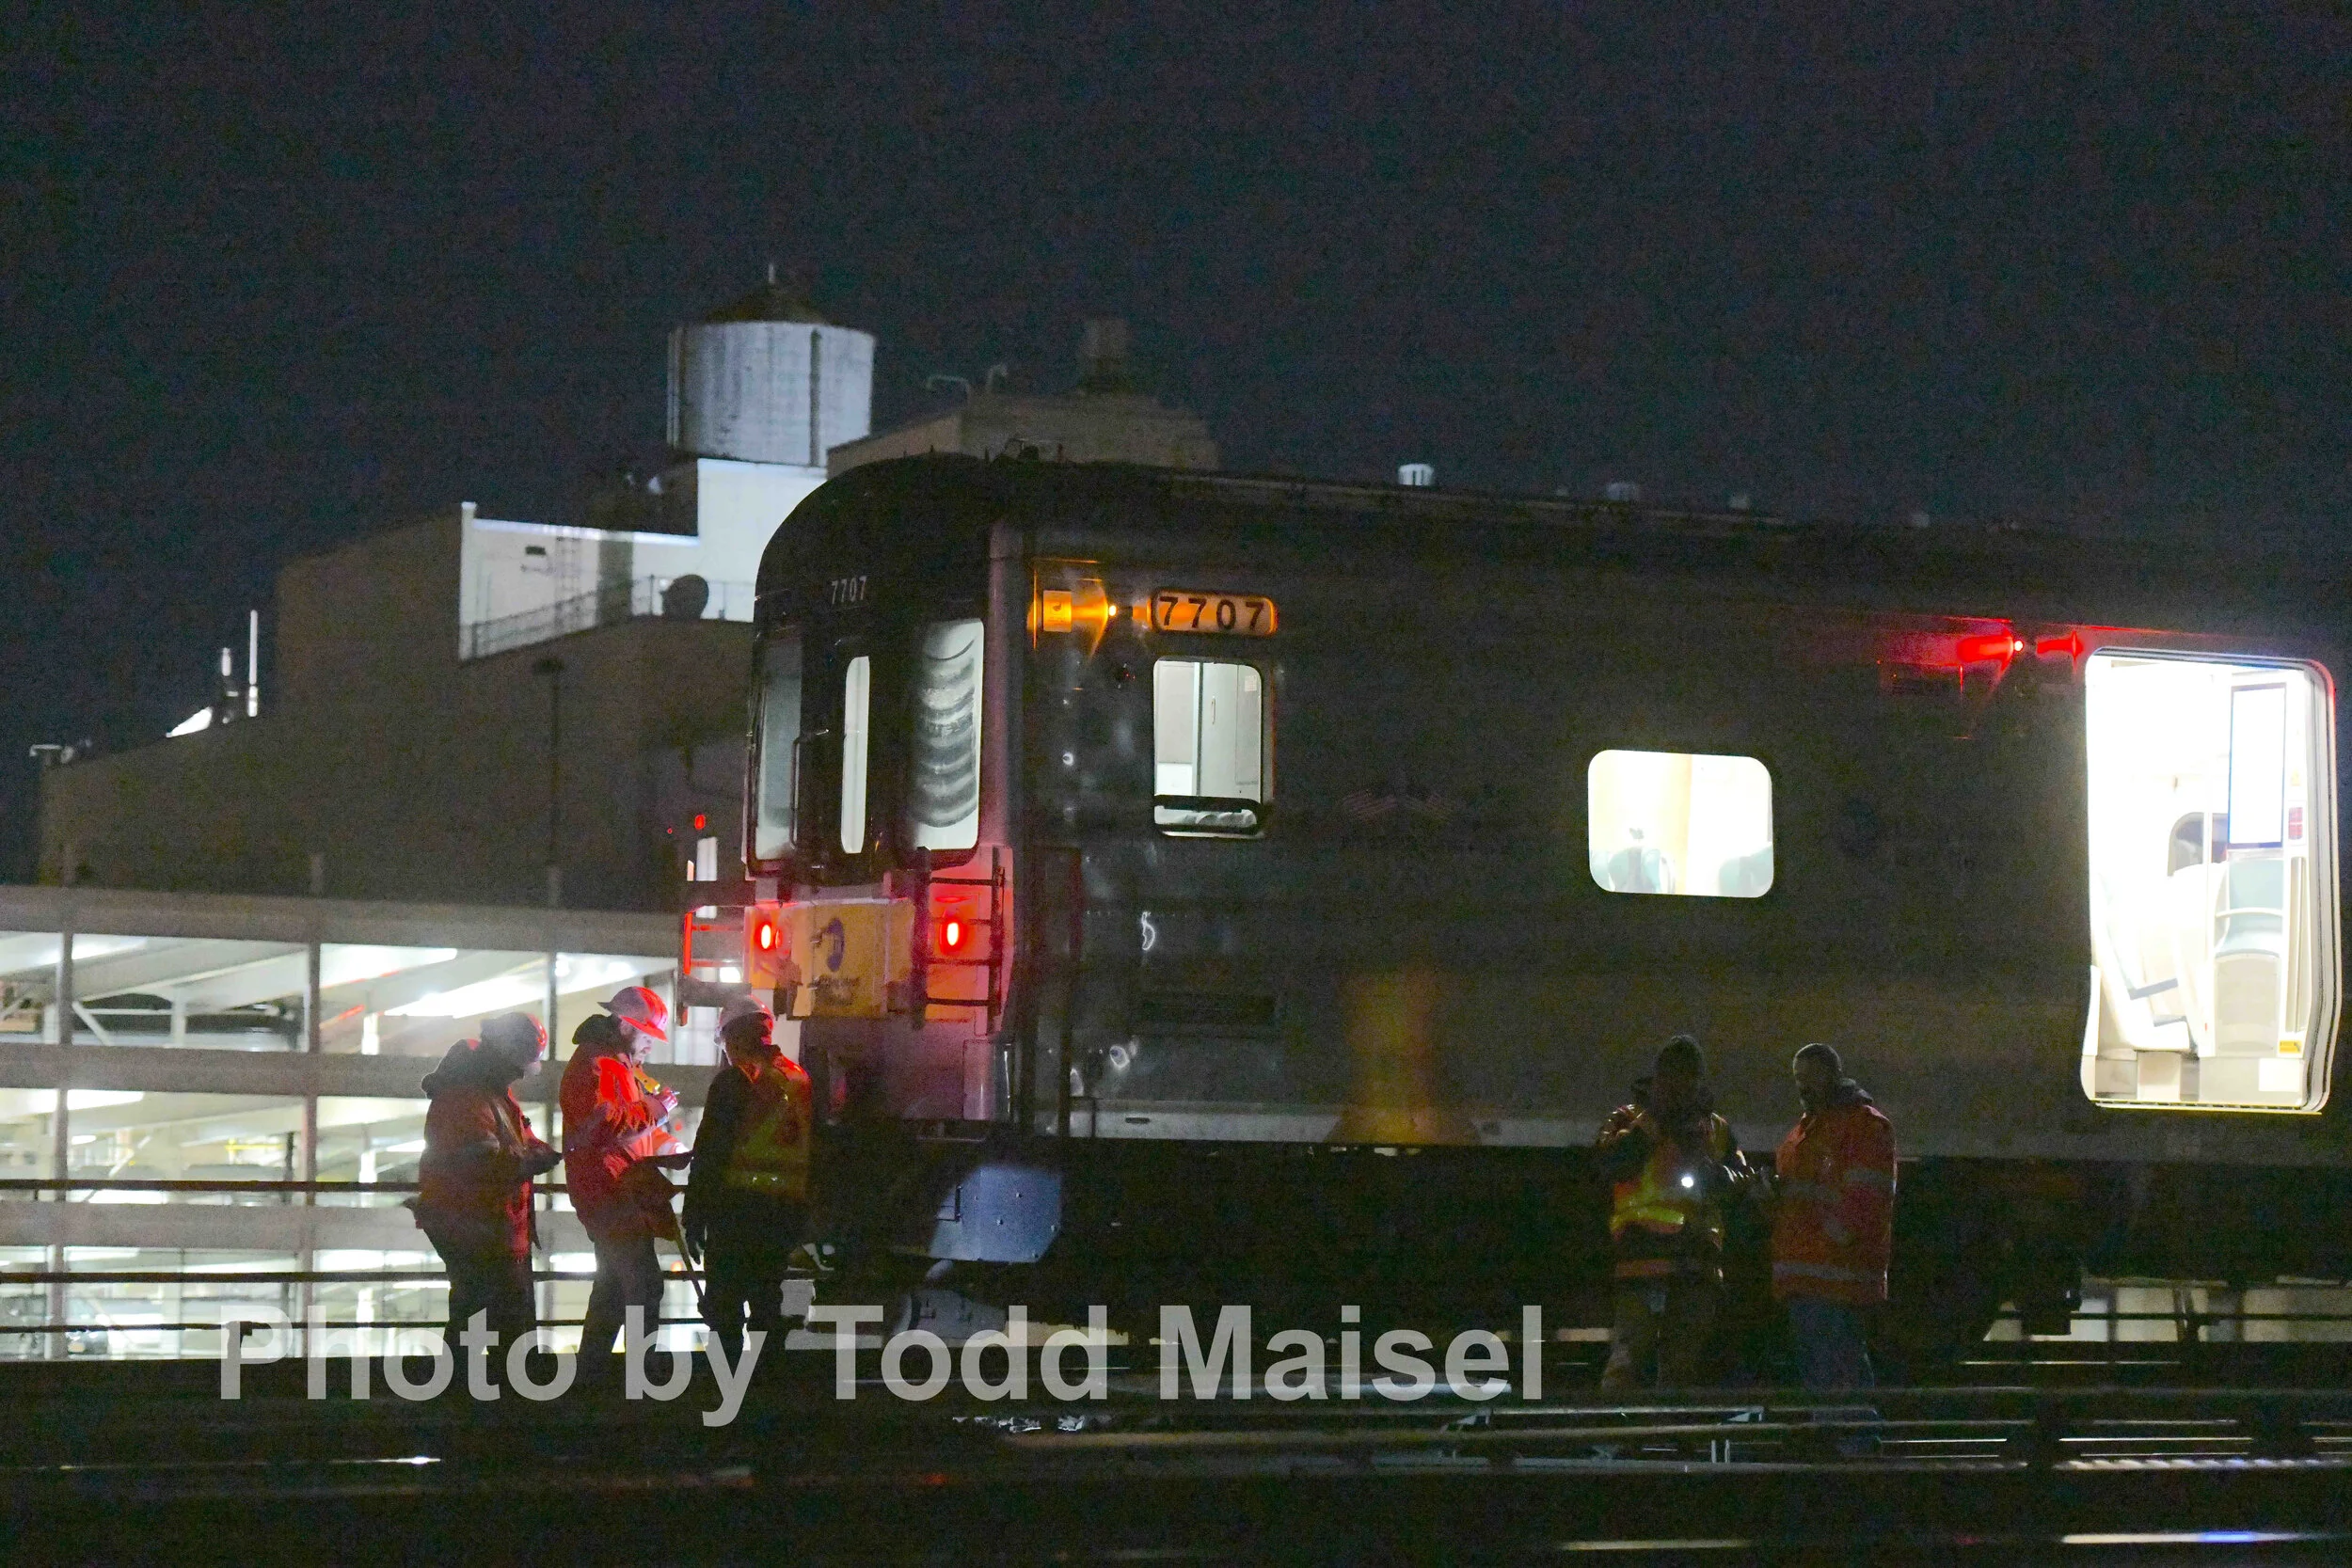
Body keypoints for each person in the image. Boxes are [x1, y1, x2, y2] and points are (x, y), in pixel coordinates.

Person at [1593, 1035, 1755, 1391]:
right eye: (1672, 1076)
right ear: (1657, 1077)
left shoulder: (1716, 1128)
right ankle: (1613, 1439)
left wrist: (1721, 1177)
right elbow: (1609, 1164)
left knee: (1683, 1368)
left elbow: (1740, 1181)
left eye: (1688, 1076)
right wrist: (1653, 1122)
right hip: (1641, 1259)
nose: (1680, 1084)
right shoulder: (1628, 1119)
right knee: (1629, 1360)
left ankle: (1671, 1438)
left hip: (1695, 1264)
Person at [562, 985, 689, 1370]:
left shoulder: (614, 1064)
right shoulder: (599, 1065)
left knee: (614, 1288)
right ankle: (639, 1373)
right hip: (610, 1190)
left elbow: (628, 1131)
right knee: (644, 1284)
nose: (651, 1044)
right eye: (647, 1034)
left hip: (614, 1188)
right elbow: (610, 1125)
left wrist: (669, 1147)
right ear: (624, 1025)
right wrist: (656, 1109)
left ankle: (592, 1371)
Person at [412, 1012, 559, 1345]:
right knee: (495, 1326)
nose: (523, 1072)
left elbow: (515, 1139)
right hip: (480, 1230)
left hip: (485, 1230)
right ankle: (497, 1390)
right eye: (522, 1062)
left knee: (476, 1321)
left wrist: (536, 1150)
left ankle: (466, 1390)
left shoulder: (486, 1092)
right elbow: (482, 1161)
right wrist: (534, 1159)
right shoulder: (468, 1096)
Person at [684, 999, 813, 1365]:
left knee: (724, 1306)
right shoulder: (798, 1078)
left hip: (737, 1210)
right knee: (767, 1302)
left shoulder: (736, 1079)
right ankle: (767, 1385)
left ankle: (726, 1390)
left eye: (723, 1042)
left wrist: (694, 1217)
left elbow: (709, 1154)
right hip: (785, 1210)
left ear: (733, 1036)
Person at [1771, 1042, 1897, 1391]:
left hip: (1834, 1273)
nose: (1802, 1086)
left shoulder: (1859, 1127)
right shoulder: (1807, 1130)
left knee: (1837, 1370)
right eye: (1798, 1078)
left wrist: (1832, 1238)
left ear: (1833, 1075)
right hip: (1812, 1273)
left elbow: (1864, 1200)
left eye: (1810, 1077)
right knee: (1827, 1372)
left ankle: (1856, 1441)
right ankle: (1843, 1439)